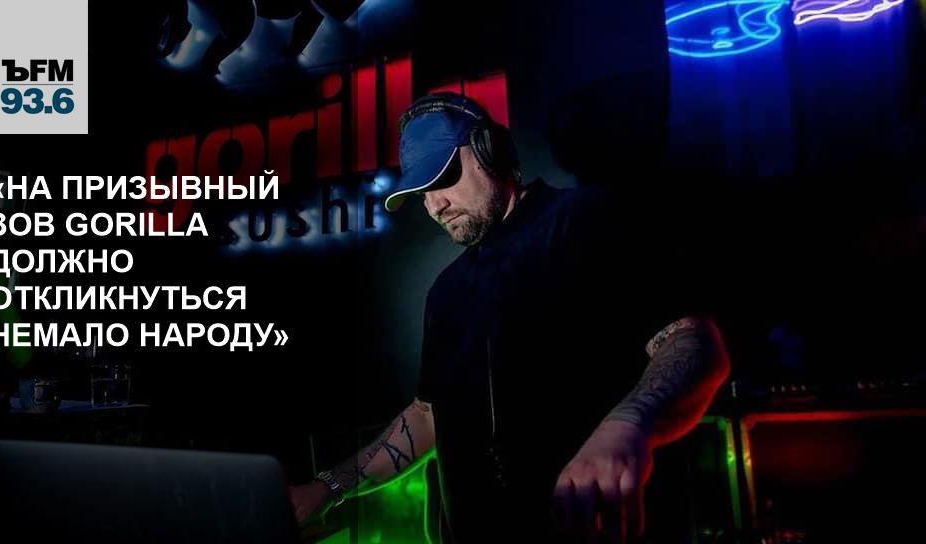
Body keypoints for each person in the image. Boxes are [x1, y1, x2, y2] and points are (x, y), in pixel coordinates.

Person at [290, 92, 730, 543]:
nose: (434, 205)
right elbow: (426, 416)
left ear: (489, 151)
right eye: (422, 191)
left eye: (443, 178)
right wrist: (328, 488)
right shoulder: (446, 292)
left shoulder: (587, 220)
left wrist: (626, 428)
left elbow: (692, 341)